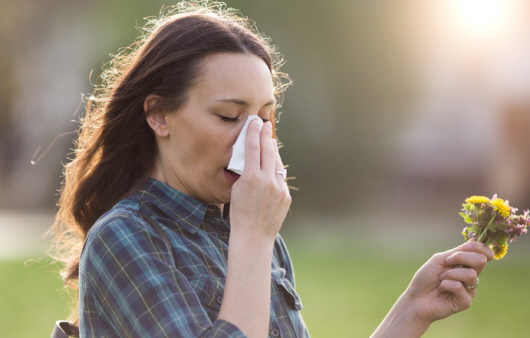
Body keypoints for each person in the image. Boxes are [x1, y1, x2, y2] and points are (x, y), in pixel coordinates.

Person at [50, 1, 493, 338]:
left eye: (264, 118)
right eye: (228, 116)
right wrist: (254, 238)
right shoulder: (127, 236)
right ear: (159, 116)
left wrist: (410, 312)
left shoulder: (250, 234)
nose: (253, 140)